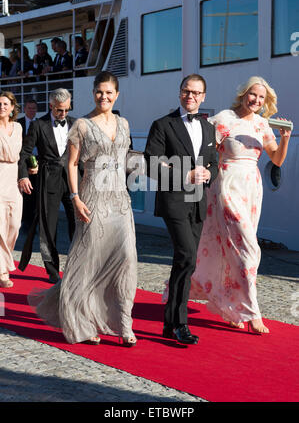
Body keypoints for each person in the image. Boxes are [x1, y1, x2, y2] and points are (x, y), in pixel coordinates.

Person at [29, 71, 138, 346]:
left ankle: (125, 323)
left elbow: (128, 158)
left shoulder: (124, 123)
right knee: (88, 262)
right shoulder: (83, 126)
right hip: (93, 198)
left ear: (117, 95)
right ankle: (82, 321)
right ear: (93, 93)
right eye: (99, 92)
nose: (104, 96)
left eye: (109, 92)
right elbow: (72, 164)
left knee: (126, 258)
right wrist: (76, 198)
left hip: (120, 199)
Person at [189, 76, 292, 334]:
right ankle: (252, 312)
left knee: (234, 250)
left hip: (251, 189)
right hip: (227, 185)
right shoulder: (224, 119)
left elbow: (276, 160)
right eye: (252, 95)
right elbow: (202, 147)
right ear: (243, 94)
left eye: (261, 98)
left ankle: (231, 307)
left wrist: (286, 138)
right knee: (249, 249)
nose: (256, 101)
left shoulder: (262, 124)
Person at [144, 74, 218, 345]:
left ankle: (169, 323)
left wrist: (209, 174)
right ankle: (180, 323)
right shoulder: (163, 124)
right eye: (187, 91)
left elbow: (214, 164)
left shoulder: (208, 128)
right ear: (179, 93)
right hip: (173, 200)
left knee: (185, 261)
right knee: (186, 256)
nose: (191, 96)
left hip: (198, 202)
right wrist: (186, 174)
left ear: (203, 96)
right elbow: (152, 164)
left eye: (196, 93)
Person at [18, 89, 76, 284]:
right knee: (47, 227)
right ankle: (51, 269)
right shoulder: (38, 125)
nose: (64, 114)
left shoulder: (75, 123)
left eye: (67, 110)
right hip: (48, 178)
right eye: (60, 110)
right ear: (51, 106)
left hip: (71, 180)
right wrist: (24, 176)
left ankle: (78, 265)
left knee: (77, 225)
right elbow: (25, 152)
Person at [0, 91, 23, 288]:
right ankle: (3, 271)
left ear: (12, 107)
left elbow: (20, 154)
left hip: (14, 179)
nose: (2, 107)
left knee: (14, 225)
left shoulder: (18, 127)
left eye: (5, 104)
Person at [18, 99, 39, 230]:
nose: (32, 111)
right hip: (21, 162)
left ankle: (33, 220)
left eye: (34, 108)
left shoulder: (40, 123)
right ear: (24, 109)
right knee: (23, 192)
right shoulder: (17, 124)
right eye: (29, 108)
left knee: (35, 192)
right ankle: (24, 220)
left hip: (37, 163)